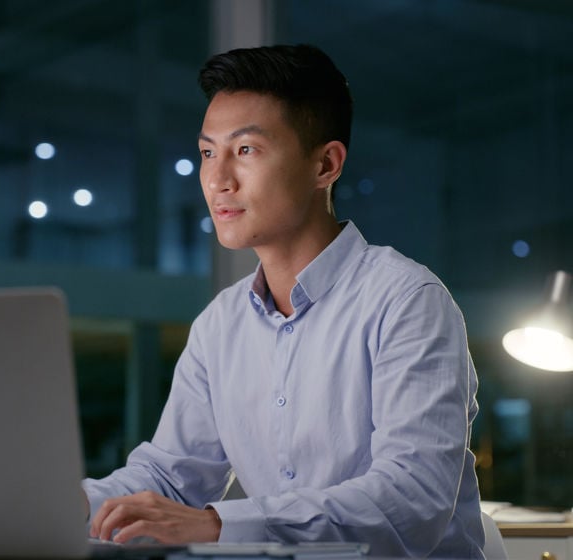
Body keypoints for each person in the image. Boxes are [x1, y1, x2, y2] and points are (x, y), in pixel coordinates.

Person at [83, 44, 485, 558]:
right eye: (208, 152)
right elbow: (169, 477)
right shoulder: (220, 325)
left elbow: (410, 501)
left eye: (245, 150)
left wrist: (214, 525)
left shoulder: (407, 301)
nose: (217, 179)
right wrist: (55, 506)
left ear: (325, 164)